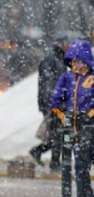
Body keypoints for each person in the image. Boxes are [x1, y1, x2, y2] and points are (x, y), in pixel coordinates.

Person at [50, 39, 94, 197]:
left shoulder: (92, 78)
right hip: (77, 132)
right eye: (72, 61)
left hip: (91, 129)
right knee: (80, 168)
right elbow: (55, 99)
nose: (75, 64)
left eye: (78, 60)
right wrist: (64, 116)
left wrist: (89, 115)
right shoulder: (67, 77)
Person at [29, 35, 69, 172]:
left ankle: (39, 152)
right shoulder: (52, 59)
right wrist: (50, 104)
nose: (69, 46)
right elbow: (47, 84)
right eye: (67, 43)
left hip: (57, 102)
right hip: (53, 103)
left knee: (57, 133)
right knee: (58, 132)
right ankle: (54, 162)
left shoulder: (60, 59)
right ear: (61, 44)